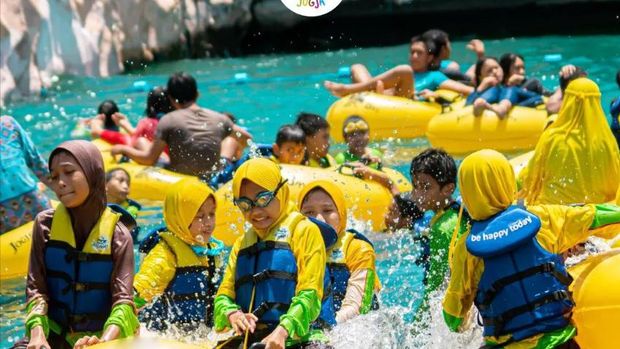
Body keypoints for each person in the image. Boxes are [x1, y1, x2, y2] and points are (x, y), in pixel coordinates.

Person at [442, 149, 620, 349]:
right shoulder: (543, 219)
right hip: (559, 344)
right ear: (507, 180)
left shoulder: (466, 250)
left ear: (467, 192)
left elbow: (453, 320)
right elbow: (597, 216)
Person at [20, 140, 138, 349]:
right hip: (51, 336)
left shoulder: (119, 236)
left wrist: (103, 341)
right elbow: (36, 289)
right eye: (54, 177)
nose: (60, 183)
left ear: (93, 173)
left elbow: (123, 302)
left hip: (100, 338)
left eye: (69, 172)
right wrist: (38, 334)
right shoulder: (44, 225)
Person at [213, 158, 327, 349]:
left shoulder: (304, 231)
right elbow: (222, 297)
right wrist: (232, 313)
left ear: (280, 191)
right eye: (244, 204)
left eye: (263, 199)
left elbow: (311, 294)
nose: (255, 211)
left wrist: (283, 330)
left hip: (298, 338)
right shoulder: (241, 244)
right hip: (253, 339)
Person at [111, 72, 252, 178]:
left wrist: (123, 149)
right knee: (232, 138)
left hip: (181, 176)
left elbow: (149, 159)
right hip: (215, 175)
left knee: (142, 142)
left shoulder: (168, 120)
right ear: (197, 94)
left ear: (172, 99)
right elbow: (246, 138)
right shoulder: (218, 118)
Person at [134, 178, 223, 332]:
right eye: (199, 216)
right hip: (168, 336)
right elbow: (139, 294)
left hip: (201, 335)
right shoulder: (166, 253)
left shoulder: (211, 251)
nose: (208, 222)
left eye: (211, 214)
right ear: (181, 217)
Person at [519, 78, 620, 205]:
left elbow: (532, 177)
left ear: (568, 101)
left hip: (554, 210)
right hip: (594, 211)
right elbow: (615, 181)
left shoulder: (552, 137)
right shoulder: (607, 142)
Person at [298, 180, 381, 325]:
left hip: (351, 330)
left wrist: (326, 328)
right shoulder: (295, 248)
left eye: (328, 211)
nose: (319, 219)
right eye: (309, 212)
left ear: (341, 213)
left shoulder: (358, 250)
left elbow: (357, 306)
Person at [324, 36, 473, 99]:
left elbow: (468, 91)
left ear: (429, 58)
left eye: (419, 53)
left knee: (404, 70)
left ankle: (348, 90)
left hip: (406, 101)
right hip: (383, 96)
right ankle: (372, 92)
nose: (414, 56)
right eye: (412, 52)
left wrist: (436, 95)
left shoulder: (435, 76)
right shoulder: (403, 73)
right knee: (357, 66)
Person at [1, 115, 52, 234]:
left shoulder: (8, 123)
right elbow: (37, 163)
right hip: (29, 203)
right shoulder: (8, 124)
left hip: (29, 204)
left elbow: (36, 162)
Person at [467, 57, 543, 117]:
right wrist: (481, 87)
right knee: (494, 90)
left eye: (496, 68)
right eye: (489, 71)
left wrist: (523, 80)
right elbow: (467, 104)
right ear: (481, 77)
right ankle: (480, 105)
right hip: (485, 100)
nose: (494, 72)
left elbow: (537, 97)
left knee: (509, 89)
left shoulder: (511, 87)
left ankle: (502, 107)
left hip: (514, 103)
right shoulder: (483, 90)